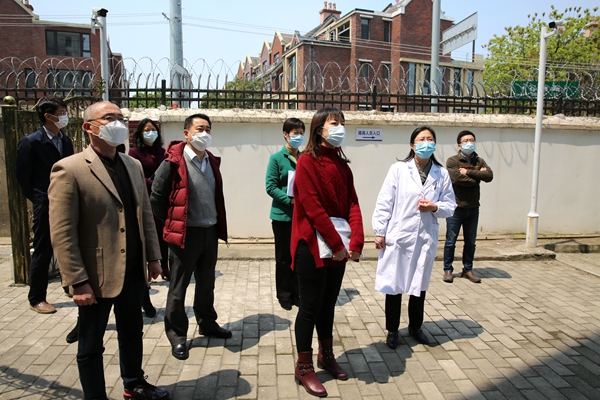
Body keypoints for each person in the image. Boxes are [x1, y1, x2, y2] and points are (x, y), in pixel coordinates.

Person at [48, 101, 169, 400]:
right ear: (88, 127)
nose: (118, 122)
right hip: (95, 275)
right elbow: (62, 232)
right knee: (91, 344)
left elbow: (144, 215)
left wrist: (153, 257)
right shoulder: (69, 169)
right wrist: (77, 280)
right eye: (109, 118)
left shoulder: (132, 165)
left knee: (132, 332)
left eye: (120, 117)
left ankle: (134, 383)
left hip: (132, 270)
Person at [291, 107, 364, 397]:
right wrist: (337, 244)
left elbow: (353, 204)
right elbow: (312, 207)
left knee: (329, 304)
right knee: (310, 306)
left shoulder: (343, 166)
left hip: (339, 248)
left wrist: (356, 242)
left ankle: (326, 354)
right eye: (334, 123)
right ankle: (304, 366)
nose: (340, 127)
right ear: (319, 128)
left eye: (342, 123)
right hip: (312, 245)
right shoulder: (306, 162)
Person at [151, 113, 230, 362]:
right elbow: (157, 197)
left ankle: (207, 323)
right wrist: (171, 224)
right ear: (187, 133)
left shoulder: (211, 160)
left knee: (206, 283)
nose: (204, 133)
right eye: (199, 129)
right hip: (185, 234)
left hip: (210, 231)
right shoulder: (173, 162)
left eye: (208, 129)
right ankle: (177, 335)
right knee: (179, 286)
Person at [372, 126, 456, 350]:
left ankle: (415, 327)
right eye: (421, 139)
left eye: (430, 139)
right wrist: (380, 231)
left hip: (424, 236)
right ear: (412, 145)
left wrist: (434, 207)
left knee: (419, 283)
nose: (426, 143)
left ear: (435, 144)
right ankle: (392, 330)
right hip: (399, 236)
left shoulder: (441, 173)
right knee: (394, 283)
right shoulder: (399, 169)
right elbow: (385, 201)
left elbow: (450, 205)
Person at [16, 97, 74, 314]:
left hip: (67, 201)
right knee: (43, 250)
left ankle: (70, 285)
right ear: (48, 116)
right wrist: (39, 198)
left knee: (69, 245)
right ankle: (37, 297)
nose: (65, 116)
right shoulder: (31, 142)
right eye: (61, 112)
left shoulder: (65, 140)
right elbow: (23, 177)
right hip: (45, 203)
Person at [129, 118, 169, 318]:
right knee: (145, 242)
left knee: (163, 237)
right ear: (139, 134)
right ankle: (144, 296)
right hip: (143, 200)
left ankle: (165, 267)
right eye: (146, 130)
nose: (150, 133)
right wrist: (154, 183)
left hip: (161, 200)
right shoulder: (134, 153)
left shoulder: (162, 152)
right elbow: (135, 177)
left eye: (153, 130)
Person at [443, 130, 493, 283]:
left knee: (470, 242)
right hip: (456, 208)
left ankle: (468, 269)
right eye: (465, 141)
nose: (469, 143)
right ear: (459, 145)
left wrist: (469, 172)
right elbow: (457, 179)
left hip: (473, 208)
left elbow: (489, 176)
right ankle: (448, 269)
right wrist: (478, 176)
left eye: (471, 140)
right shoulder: (452, 161)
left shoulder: (479, 160)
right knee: (451, 240)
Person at [265, 117, 305, 311]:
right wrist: (290, 200)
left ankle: (297, 294)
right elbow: (270, 186)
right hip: (282, 216)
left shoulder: (304, 158)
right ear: (286, 134)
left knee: (299, 257)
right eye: (295, 133)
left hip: (301, 217)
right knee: (283, 258)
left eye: (301, 133)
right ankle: (284, 295)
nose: (299, 137)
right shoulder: (276, 158)